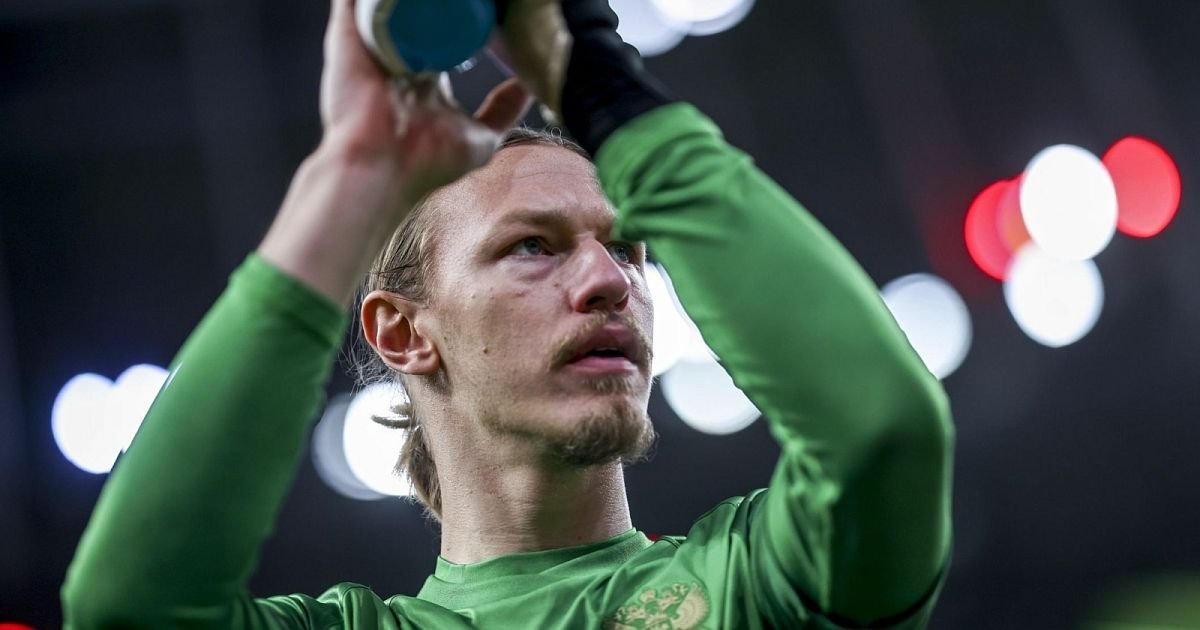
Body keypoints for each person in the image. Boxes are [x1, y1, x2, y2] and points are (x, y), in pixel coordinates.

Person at [62, 0, 954, 627]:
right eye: (532, 245)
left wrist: (595, 78)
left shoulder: (754, 588)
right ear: (404, 331)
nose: (610, 280)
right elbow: (125, 608)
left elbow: (883, 431)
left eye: (630, 249)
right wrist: (350, 176)